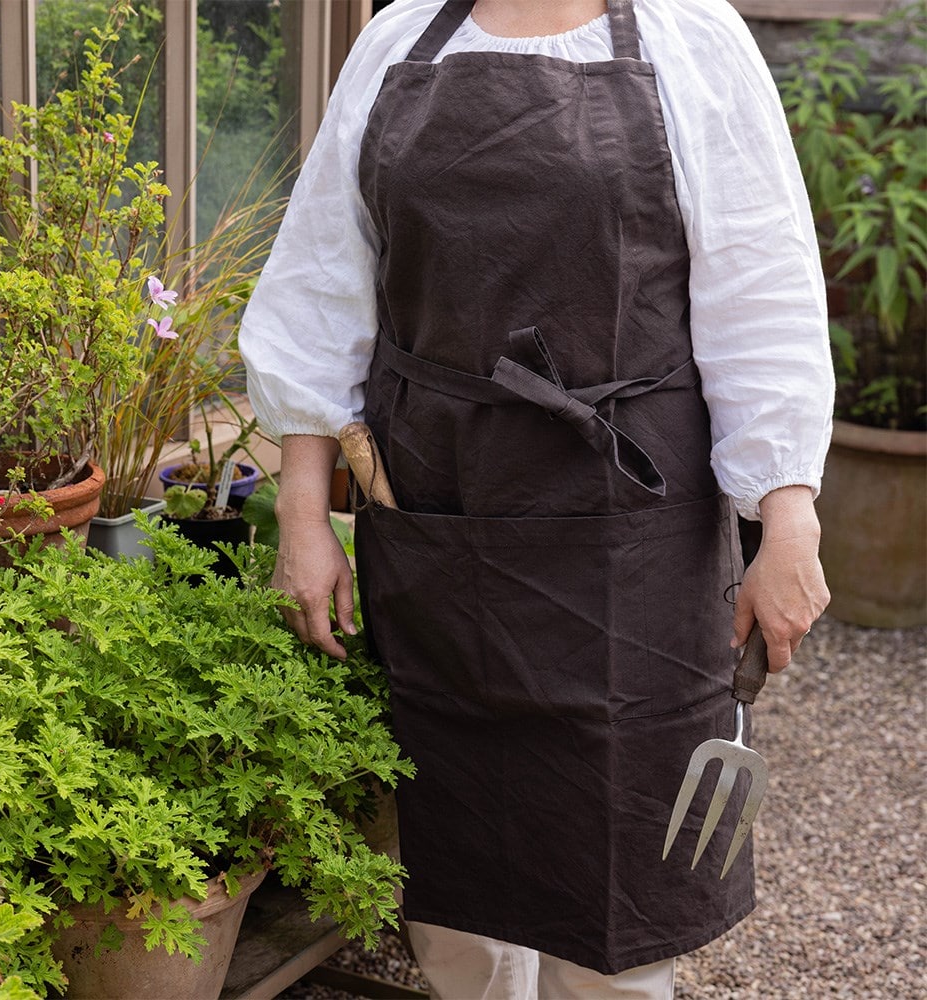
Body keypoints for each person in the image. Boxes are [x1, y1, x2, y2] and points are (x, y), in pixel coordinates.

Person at [238, 1, 832, 996]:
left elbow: (760, 287)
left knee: (626, 905)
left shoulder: (693, 40)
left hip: (632, 535)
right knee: (454, 899)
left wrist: (788, 510)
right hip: (437, 519)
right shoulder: (397, 42)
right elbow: (321, 287)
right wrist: (303, 517)